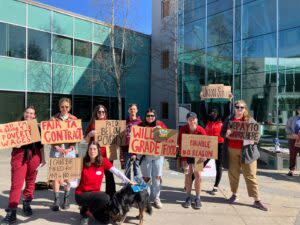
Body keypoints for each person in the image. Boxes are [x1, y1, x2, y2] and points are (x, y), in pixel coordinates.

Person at [1, 106, 46, 225]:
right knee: (16, 184)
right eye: (27, 112)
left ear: (34, 116)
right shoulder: (16, 126)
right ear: (24, 113)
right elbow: (6, 138)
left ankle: (27, 203)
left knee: (31, 181)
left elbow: (41, 146)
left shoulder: (37, 127)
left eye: (32, 113)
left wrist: (44, 159)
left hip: (35, 156)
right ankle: (12, 211)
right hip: (19, 155)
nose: (29, 115)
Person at [221, 100, 268, 211]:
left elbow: (257, 135)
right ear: (234, 108)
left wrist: (254, 141)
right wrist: (226, 134)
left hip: (247, 152)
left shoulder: (250, 120)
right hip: (232, 150)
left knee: (250, 175)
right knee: (233, 173)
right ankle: (234, 194)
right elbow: (221, 133)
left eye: (241, 107)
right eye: (237, 107)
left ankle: (257, 199)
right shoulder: (229, 119)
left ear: (245, 108)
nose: (239, 109)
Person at [75, 141, 134, 225]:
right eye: (90, 149)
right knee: (106, 197)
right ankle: (86, 215)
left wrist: (128, 181)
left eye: (94, 149)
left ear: (98, 150)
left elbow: (116, 171)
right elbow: (75, 179)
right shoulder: (82, 162)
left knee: (105, 219)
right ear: (87, 150)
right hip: (81, 194)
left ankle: (85, 210)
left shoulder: (103, 161)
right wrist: (68, 183)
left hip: (95, 195)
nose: (92, 151)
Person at [200, 92, 232, 195]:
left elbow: (227, 112)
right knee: (200, 164)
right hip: (209, 145)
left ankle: (215, 186)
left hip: (220, 146)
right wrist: (202, 99)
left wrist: (229, 101)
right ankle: (190, 181)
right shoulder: (207, 121)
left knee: (218, 166)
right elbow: (203, 111)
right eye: (211, 112)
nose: (213, 114)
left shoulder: (222, 121)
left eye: (215, 112)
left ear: (218, 113)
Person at [49, 98, 78, 211]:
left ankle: (66, 199)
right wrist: (57, 147)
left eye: (66, 107)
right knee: (56, 177)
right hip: (56, 151)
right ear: (59, 107)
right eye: (62, 107)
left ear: (69, 107)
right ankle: (56, 201)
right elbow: (49, 137)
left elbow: (76, 137)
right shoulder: (53, 119)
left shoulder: (74, 119)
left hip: (69, 151)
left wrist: (70, 148)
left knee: (68, 177)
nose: (64, 109)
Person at [85, 104, 116, 197]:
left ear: (105, 113)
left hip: (108, 153)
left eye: (103, 111)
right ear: (96, 113)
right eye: (99, 112)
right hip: (95, 154)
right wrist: (90, 134)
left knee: (109, 174)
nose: (101, 113)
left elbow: (117, 138)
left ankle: (111, 195)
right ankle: (92, 194)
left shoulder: (111, 123)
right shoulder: (91, 124)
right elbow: (85, 140)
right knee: (94, 175)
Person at [179, 112, 207, 209]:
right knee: (188, 175)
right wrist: (183, 159)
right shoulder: (183, 129)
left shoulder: (201, 130)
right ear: (187, 121)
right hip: (186, 155)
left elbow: (207, 146)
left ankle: (198, 198)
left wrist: (205, 155)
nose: (192, 121)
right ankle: (188, 197)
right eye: (190, 119)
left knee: (198, 175)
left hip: (198, 156)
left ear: (197, 120)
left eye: (194, 119)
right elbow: (180, 145)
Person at [140, 108, 167, 209]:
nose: (150, 117)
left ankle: (156, 198)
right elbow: (136, 140)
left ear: (155, 116)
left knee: (157, 178)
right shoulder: (141, 125)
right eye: (148, 116)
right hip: (145, 156)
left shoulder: (160, 124)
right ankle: (146, 199)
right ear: (145, 117)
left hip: (158, 156)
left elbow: (167, 139)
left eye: (152, 116)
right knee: (146, 178)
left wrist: (161, 131)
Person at [120, 103, 143, 179]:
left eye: (134, 109)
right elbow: (121, 139)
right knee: (127, 170)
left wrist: (136, 153)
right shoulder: (124, 123)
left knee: (137, 170)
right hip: (126, 150)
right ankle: (127, 188)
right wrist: (121, 155)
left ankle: (137, 189)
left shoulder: (141, 123)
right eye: (131, 109)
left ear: (137, 110)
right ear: (128, 110)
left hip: (137, 151)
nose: (132, 111)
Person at [286, 105, 300, 176]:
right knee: (292, 155)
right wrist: (292, 134)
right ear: (298, 111)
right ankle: (291, 170)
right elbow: (287, 128)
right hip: (293, 139)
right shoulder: (292, 119)